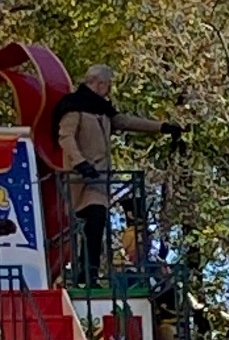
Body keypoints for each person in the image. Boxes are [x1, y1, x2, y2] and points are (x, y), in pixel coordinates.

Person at [52, 64, 183, 288]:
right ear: (100, 83)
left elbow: (126, 122)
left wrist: (162, 127)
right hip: (79, 178)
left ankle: (89, 274)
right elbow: (66, 137)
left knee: (96, 223)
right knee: (84, 225)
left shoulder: (103, 109)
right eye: (108, 85)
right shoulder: (73, 106)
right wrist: (80, 163)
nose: (109, 90)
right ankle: (79, 272)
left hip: (99, 179)